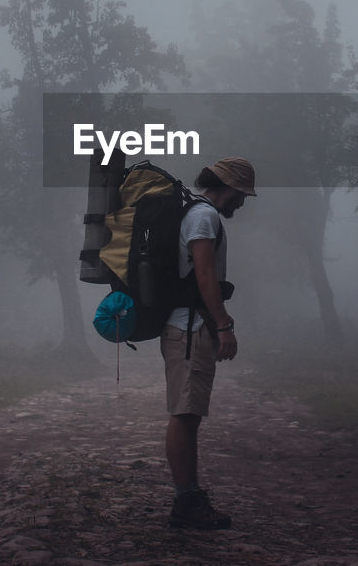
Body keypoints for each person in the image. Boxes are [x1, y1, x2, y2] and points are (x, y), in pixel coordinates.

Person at [162, 156, 256, 530]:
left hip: (187, 325)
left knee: (188, 414)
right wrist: (223, 325)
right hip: (191, 328)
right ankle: (186, 501)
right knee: (185, 414)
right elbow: (204, 274)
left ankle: (190, 496)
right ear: (225, 187)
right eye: (240, 194)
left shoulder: (196, 212)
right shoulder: (204, 216)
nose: (242, 202)